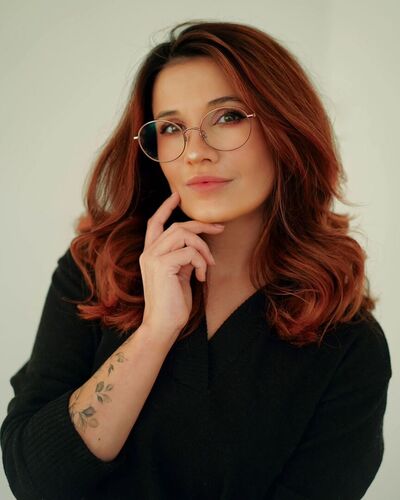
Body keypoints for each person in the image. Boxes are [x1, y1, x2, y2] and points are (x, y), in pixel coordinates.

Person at [0, 19, 392, 500]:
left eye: (227, 117)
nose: (195, 153)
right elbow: (35, 482)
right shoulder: (96, 269)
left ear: (286, 128)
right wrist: (155, 333)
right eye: (171, 128)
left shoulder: (348, 343)